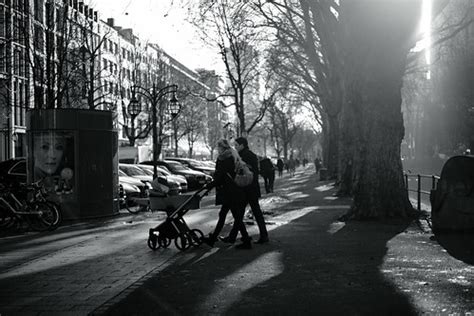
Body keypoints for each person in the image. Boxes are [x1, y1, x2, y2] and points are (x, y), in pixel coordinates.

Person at [202, 139, 252, 249]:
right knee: (230, 215)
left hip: (228, 191)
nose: (217, 150)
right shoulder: (233, 155)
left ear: (221, 148)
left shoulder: (223, 159)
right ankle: (214, 238)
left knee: (231, 216)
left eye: (218, 148)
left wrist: (209, 185)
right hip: (234, 189)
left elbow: (220, 176)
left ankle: (246, 241)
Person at [222, 137, 269, 244]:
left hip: (246, 188)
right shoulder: (251, 155)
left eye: (237, 145)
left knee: (241, 213)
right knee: (252, 212)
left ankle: (234, 237)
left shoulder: (244, 156)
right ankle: (263, 235)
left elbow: (244, 171)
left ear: (242, 145)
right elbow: (256, 171)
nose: (235, 147)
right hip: (251, 188)